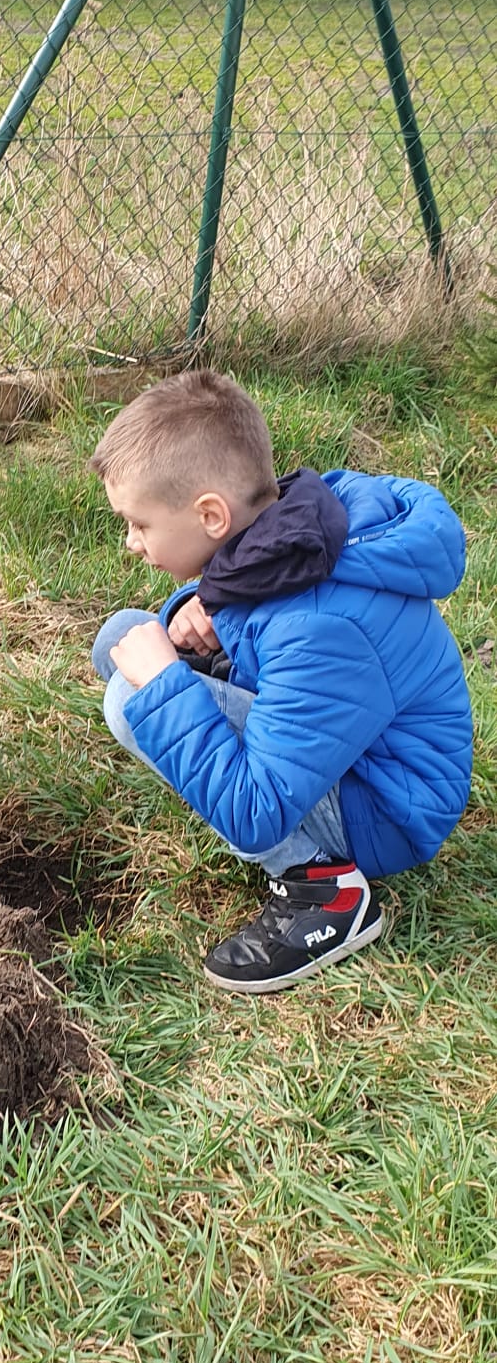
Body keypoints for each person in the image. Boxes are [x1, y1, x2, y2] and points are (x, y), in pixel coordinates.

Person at [90, 370, 472, 992]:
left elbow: (255, 811)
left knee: (132, 698)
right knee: (122, 636)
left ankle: (323, 891)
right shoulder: (297, 526)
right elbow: (262, 592)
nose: (131, 543)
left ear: (212, 514)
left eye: (138, 523)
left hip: (385, 807)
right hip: (343, 743)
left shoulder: (323, 629)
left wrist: (166, 684)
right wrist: (205, 603)